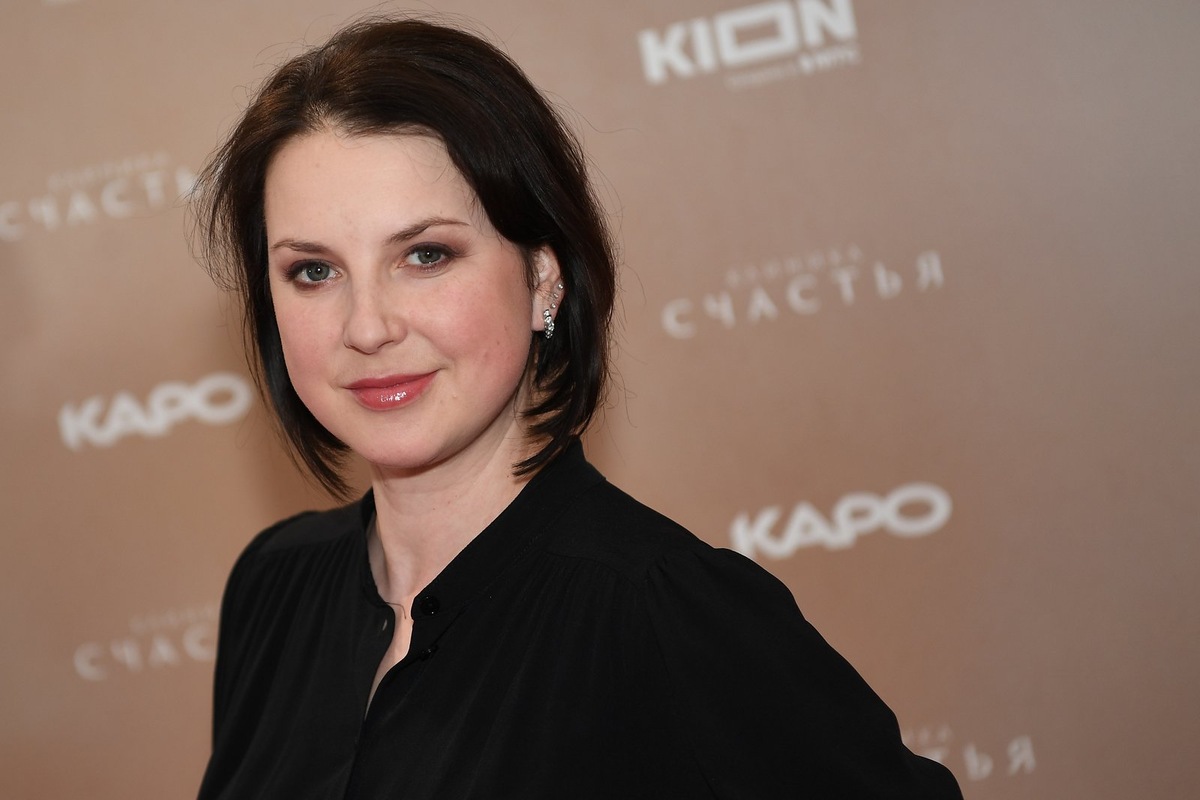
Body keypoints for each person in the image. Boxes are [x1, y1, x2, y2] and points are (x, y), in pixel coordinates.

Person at [193, 16, 963, 800]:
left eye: (426, 256)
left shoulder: (659, 609)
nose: (367, 327)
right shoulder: (275, 585)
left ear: (544, 278)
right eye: (314, 271)